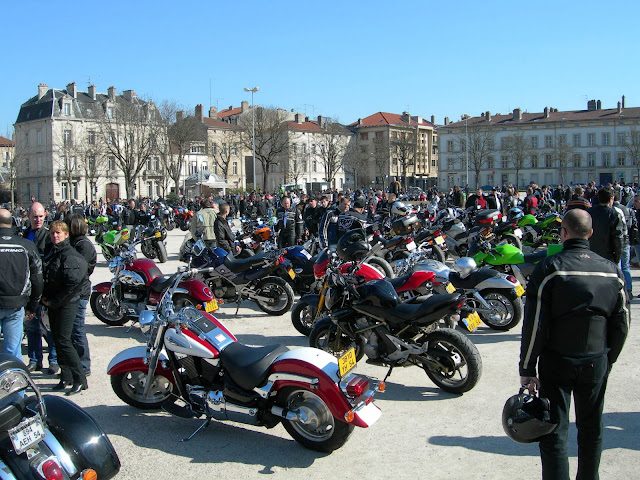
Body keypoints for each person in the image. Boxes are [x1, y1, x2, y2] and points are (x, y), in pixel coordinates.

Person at [519, 209, 628, 480]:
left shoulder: (549, 268)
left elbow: (534, 324)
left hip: (557, 359)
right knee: (592, 429)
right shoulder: (612, 271)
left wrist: (527, 366)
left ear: (563, 233)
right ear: (590, 234)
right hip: (595, 358)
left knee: (554, 431)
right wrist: (608, 358)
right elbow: (621, 323)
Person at [43, 221, 89, 396]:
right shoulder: (54, 252)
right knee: (57, 339)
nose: (55, 236)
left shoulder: (69, 254)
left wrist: (55, 302)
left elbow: (72, 285)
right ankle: (66, 376)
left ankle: (80, 379)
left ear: (66, 235)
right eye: (53, 233)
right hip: (54, 303)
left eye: (59, 233)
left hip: (67, 303)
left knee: (64, 340)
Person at [0, 209, 43, 360]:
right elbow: (38, 279)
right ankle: (14, 381)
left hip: (14, 304)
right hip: (16, 303)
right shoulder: (26, 245)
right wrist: (32, 306)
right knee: (13, 351)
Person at [23, 202, 58, 374]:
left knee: (48, 327)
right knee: (31, 327)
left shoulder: (49, 236)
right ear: (28, 216)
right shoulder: (23, 234)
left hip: (44, 290)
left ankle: (53, 360)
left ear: (45, 216)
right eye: (34, 216)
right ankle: (35, 360)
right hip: (28, 290)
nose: (38, 220)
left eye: (41, 217)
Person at [64, 214, 97, 376]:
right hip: (75, 292)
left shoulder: (82, 245)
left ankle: (84, 366)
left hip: (80, 292)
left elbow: (80, 270)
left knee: (77, 330)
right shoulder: (76, 243)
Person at [587, 187, 624, 264]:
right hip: (607, 256)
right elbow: (618, 238)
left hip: (590, 253)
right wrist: (617, 259)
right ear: (611, 199)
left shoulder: (588, 212)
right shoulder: (614, 214)